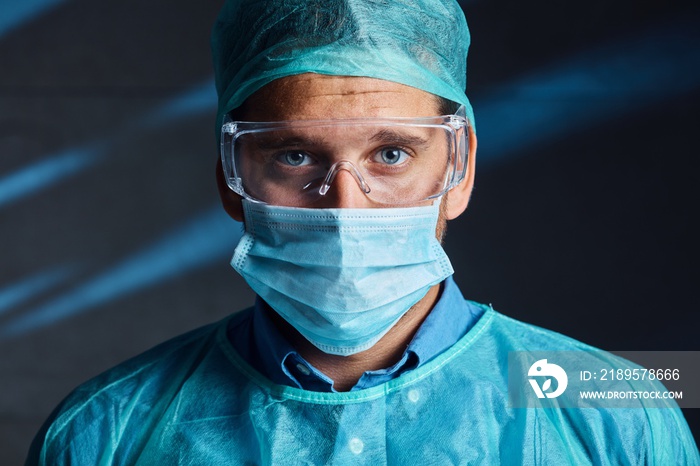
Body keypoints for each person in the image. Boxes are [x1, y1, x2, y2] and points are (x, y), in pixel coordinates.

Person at [26, 0, 699, 464]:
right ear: (231, 181)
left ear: (458, 175)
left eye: (392, 154)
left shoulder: (615, 412)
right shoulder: (107, 431)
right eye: (294, 155)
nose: (345, 204)